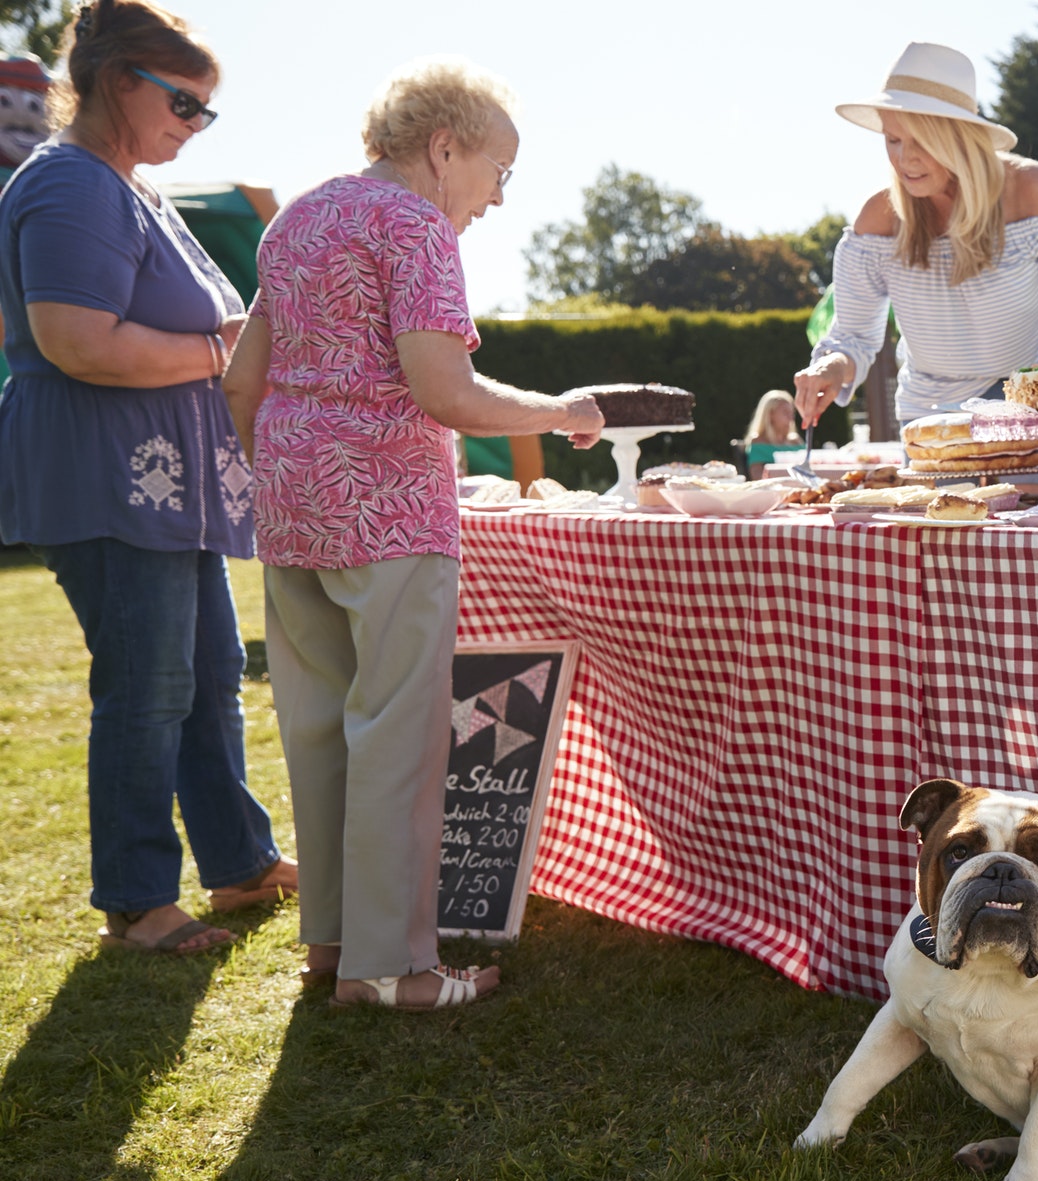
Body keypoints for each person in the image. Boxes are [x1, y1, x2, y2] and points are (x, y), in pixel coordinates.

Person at [224, 58, 603, 1008]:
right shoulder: (415, 222)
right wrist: (560, 410)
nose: (500, 198)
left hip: (294, 505)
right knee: (398, 737)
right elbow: (447, 392)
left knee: (317, 729)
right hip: (389, 507)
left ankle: (335, 945)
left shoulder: (298, 216)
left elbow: (243, 381)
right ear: (445, 148)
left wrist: (285, 468)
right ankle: (393, 969)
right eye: (500, 171)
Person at [0, 0, 295, 956]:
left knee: (207, 676)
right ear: (120, 82)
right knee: (147, 686)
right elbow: (75, 342)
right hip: (108, 481)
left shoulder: (126, 181)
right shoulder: (75, 186)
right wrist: (222, 350)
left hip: (164, 488)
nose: (196, 124)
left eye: (207, 111)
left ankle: (240, 863)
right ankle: (137, 901)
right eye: (184, 103)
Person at [793, 43, 1038, 430]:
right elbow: (853, 336)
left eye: (922, 141)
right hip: (931, 416)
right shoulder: (876, 222)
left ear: (962, 138)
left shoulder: (1035, 194)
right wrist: (831, 367)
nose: (904, 160)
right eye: (893, 139)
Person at [741, 388, 801, 477]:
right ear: (770, 414)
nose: (791, 418)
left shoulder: (796, 441)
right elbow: (757, 477)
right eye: (785, 413)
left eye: (792, 413)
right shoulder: (758, 442)